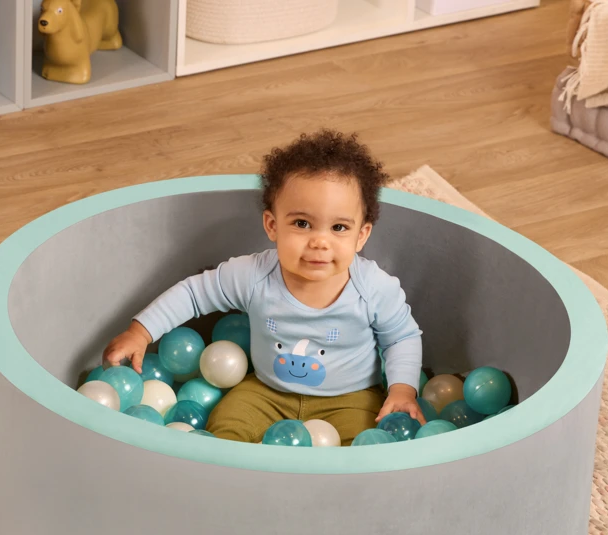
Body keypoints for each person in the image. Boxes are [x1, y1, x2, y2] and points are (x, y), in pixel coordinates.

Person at [103, 129, 424, 445]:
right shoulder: (254, 275)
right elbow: (194, 293)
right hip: (267, 392)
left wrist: (402, 390)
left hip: (351, 398)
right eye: (302, 224)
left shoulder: (373, 288)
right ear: (272, 225)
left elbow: (401, 337)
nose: (319, 242)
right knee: (226, 427)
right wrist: (141, 332)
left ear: (361, 236)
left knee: (367, 444)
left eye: (339, 227)